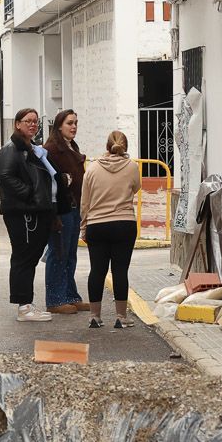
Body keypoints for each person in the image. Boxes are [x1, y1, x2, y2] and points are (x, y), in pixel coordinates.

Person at [0, 107, 57, 322]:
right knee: (23, 258)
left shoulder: (31, 149)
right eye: (28, 121)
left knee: (29, 259)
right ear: (17, 124)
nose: (32, 124)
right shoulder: (11, 150)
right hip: (22, 214)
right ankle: (24, 308)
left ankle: (27, 304)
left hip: (35, 212)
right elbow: (4, 176)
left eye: (35, 121)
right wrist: (30, 195)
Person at [79, 130, 143, 328]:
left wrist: (84, 227)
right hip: (124, 224)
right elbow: (136, 188)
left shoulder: (92, 168)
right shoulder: (132, 167)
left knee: (97, 270)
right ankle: (121, 316)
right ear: (125, 147)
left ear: (107, 146)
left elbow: (85, 202)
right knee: (120, 270)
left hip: (97, 225)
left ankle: (94, 316)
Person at [42, 109, 87, 315]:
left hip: (74, 208)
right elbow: (49, 181)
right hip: (60, 209)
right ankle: (55, 299)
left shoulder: (71, 146)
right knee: (58, 253)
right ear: (59, 126)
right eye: (70, 123)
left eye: (76, 123)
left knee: (70, 254)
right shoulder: (51, 149)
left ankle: (70, 295)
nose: (74, 126)